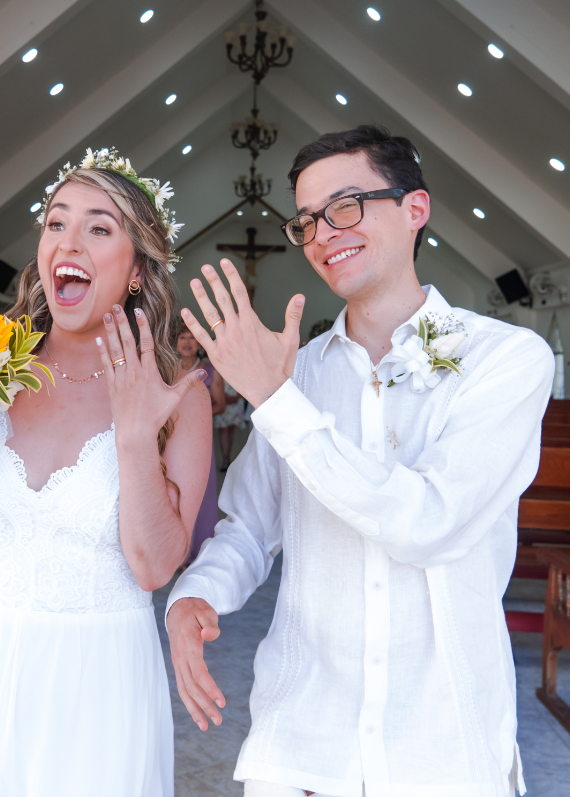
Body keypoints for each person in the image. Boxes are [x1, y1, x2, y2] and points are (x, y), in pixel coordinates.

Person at [166, 125, 554, 797]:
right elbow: (249, 527)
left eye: (345, 206)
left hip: (441, 743)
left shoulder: (505, 358)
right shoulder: (296, 375)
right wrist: (196, 592)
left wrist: (275, 402)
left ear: (414, 209)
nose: (323, 233)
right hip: (303, 739)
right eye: (306, 220)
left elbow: (429, 523)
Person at [0, 149, 211, 797]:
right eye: (56, 223)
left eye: (98, 228)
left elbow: (155, 567)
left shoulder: (179, 395)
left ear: (136, 270)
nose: (69, 242)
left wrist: (134, 437)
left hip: (96, 679)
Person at [175, 324, 225, 564]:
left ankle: (198, 555)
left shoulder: (210, 370)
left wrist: (195, 418)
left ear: (200, 343)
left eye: (192, 338)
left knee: (202, 494)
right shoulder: (167, 369)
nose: (187, 342)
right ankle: (174, 554)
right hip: (172, 439)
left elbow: (220, 405)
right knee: (174, 494)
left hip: (200, 439)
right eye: (182, 337)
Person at [214, 381, 247, 471]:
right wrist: (221, 397)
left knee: (231, 429)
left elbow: (245, 381)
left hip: (236, 397)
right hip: (221, 398)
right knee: (222, 428)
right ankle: (225, 459)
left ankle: (228, 457)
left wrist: (237, 396)